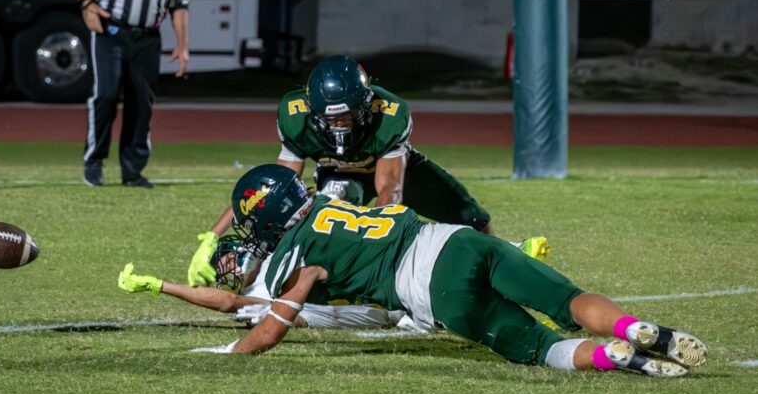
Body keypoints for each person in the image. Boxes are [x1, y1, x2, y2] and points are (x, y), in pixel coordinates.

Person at [205, 164, 709, 377]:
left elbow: (269, 333)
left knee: (540, 345)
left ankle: (616, 358)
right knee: (569, 299)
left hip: (435, 291)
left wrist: (228, 351)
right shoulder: (333, 199)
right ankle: (630, 328)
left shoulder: (296, 256)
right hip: (454, 240)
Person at [187, 54, 547, 284]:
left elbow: (390, 189)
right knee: (329, 221)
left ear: (365, 102)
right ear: (313, 111)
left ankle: (504, 262)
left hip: (394, 167)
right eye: (334, 116)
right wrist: (211, 237)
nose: (342, 123)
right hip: (338, 175)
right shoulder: (294, 116)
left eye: (348, 113)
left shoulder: (389, 115)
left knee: (471, 217)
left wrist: (376, 231)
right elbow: (276, 185)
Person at [73, 0, 190, 189]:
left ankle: (132, 171)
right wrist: (87, 4)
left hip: (148, 38)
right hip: (112, 31)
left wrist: (182, 45)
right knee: (107, 94)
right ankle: (94, 161)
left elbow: (179, 3)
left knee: (142, 103)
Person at [117, 235, 412, 330]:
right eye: (223, 268)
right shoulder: (253, 293)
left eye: (227, 259)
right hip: (386, 309)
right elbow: (229, 303)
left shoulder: (275, 248)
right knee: (262, 314)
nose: (230, 265)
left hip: (384, 274)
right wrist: (161, 285)